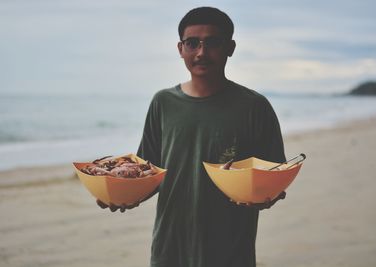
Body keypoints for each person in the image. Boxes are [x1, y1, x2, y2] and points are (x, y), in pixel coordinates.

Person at [97, 6, 287, 267]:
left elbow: (276, 173)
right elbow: (148, 174)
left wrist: (268, 196)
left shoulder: (254, 106)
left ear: (230, 47)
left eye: (212, 43)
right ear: (180, 49)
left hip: (230, 250)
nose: (201, 52)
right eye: (192, 43)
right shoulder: (163, 103)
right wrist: (121, 195)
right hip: (170, 247)